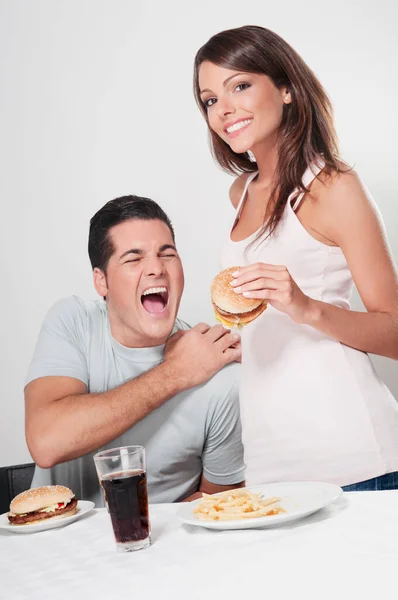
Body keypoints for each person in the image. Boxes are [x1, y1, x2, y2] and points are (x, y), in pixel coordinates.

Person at [193, 25, 398, 491]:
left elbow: (396, 331)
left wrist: (305, 308)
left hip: (352, 459)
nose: (223, 109)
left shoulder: (333, 186)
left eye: (239, 85)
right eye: (209, 100)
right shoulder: (239, 193)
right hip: (269, 463)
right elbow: (269, 328)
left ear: (285, 88)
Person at [25, 195, 245, 505]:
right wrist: (175, 373)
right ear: (101, 282)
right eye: (133, 258)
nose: (156, 268)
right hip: (55, 548)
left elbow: (218, 506)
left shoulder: (222, 375)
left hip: (157, 549)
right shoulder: (73, 322)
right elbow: (46, 442)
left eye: (167, 254)